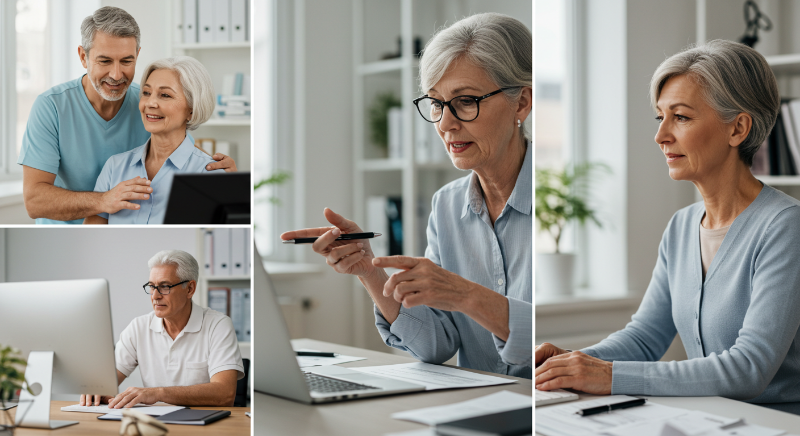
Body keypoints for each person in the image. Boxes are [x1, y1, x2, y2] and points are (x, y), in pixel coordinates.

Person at [535, 40, 800, 406]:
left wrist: (607, 375)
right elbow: (645, 337)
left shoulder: (785, 227)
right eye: (660, 117)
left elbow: (749, 368)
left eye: (681, 117)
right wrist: (573, 362)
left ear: (737, 129)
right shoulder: (682, 226)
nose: (661, 136)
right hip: (711, 421)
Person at [281, 13, 532, 379]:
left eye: (465, 101)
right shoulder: (447, 205)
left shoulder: (556, 202)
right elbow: (437, 345)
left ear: (521, 102)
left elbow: (556, 339)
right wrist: (369, 271)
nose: (446, 124)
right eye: (435, 103)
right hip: (481, 408)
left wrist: (466, 295)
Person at [19, 6, 236, 225]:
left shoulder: (146, 104)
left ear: (137, 55)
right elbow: (34, 202)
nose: (116, 75)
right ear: (83, 57)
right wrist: (104, 200)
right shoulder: (52, 107)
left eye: (126, 61)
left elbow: (181, 150)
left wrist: (221, 177)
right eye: (105, 61)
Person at [80, 250, 244, 408]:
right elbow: (103, 383)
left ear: (190, 289)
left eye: (165, 286)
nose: (155, 296)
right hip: (156, 425)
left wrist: (158, 393)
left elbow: (225, 394)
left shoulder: (218, 325)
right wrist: (96, 391)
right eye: (152, 286)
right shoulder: (139, 327)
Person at [84, 57, 223, 224]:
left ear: (191, 111)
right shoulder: (115, 167)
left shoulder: (210, 176)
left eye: (165, 95)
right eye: (146, 93)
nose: (150, 103)